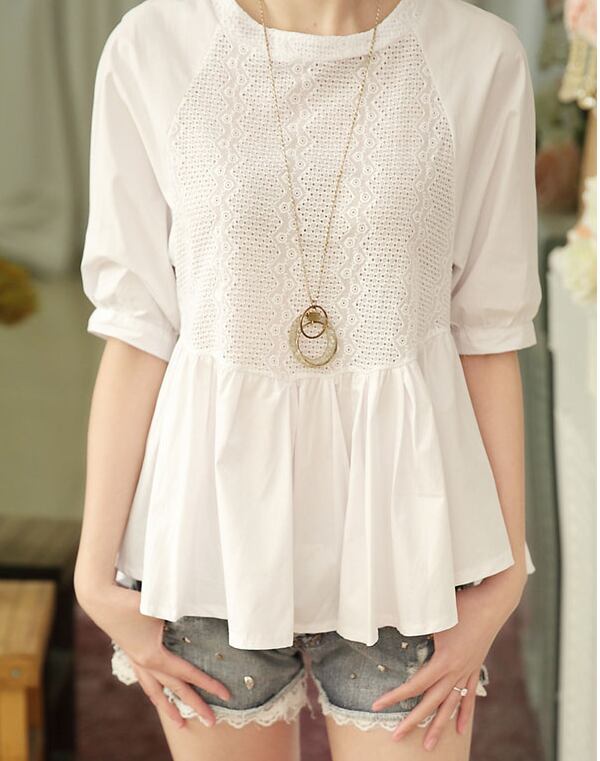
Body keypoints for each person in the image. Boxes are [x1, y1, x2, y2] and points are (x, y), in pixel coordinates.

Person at [74, 0, 543, 759]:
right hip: (211, 543)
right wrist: (94, 574)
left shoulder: (479, 55)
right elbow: (137, 327)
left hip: (408, 549)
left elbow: (489, 332)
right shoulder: (155, 45)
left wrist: (506, 573)